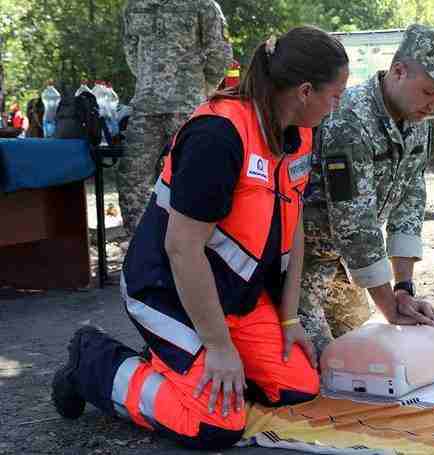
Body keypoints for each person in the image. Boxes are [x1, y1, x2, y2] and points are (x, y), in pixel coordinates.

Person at [51, 26, 349, 450]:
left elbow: (293, 222)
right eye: (334, 96)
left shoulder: (298, 134)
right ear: (304, 91)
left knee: (299, 387)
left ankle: (180, 360)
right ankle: (93, 363)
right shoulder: (218, 135)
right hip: (165, 291)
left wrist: (289, 318)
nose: (335, 106)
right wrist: (218, 346)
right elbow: (181, 247)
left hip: (234, 300)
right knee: (216, 425)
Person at [299, 24, 434, 356]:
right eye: (429, 92)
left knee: (368, 352)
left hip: (347, 268)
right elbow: (355, 225)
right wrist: (389, 307)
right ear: (398, 71)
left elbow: (410, 202)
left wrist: (404, 289)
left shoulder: (414, 120)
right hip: (304, 267)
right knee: (324, 366)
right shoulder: (348, 119)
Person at [117, 0, 233, 236]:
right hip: (145, 108)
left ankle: (195, 242)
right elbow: (131, 50)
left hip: (188, 109)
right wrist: (151, 82)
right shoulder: (135, 7)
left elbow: (220, 52)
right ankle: (140, 245)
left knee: (196, 175)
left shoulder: (202, 5)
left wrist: (200, 88)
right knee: (132, 178)